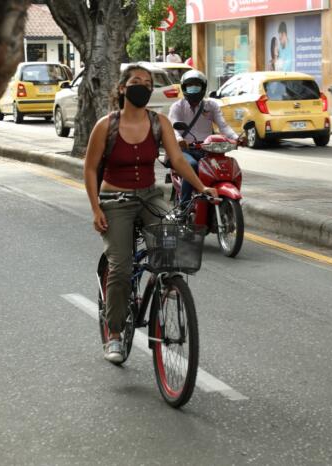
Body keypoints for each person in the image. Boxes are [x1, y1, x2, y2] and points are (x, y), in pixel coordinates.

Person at [83, 64, 218, 363]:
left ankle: (167, 287)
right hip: (114, 199)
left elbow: (179, 161)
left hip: (150, 196)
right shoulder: (106, 125)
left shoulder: (159, 123)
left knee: (173, 246)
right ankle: (115, 334)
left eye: (147, 82)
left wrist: (202, 188)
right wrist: (95, 208)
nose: (142, 86)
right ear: (122, 88)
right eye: (135, 82)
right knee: (121, 267)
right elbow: (91, 169)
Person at [168, 70, 241, 206]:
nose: (194, 88)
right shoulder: (177, 107)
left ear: (203, 87)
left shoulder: (211, 105)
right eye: (190, 85)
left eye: (197, 85)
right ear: (184, 88)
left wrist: (236, 138)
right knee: (192, 166)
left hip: (208, 149)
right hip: (185, 150)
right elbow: (173, 129)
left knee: (223, 167)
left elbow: (223, 126)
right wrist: (179, 140)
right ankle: (184, 205)